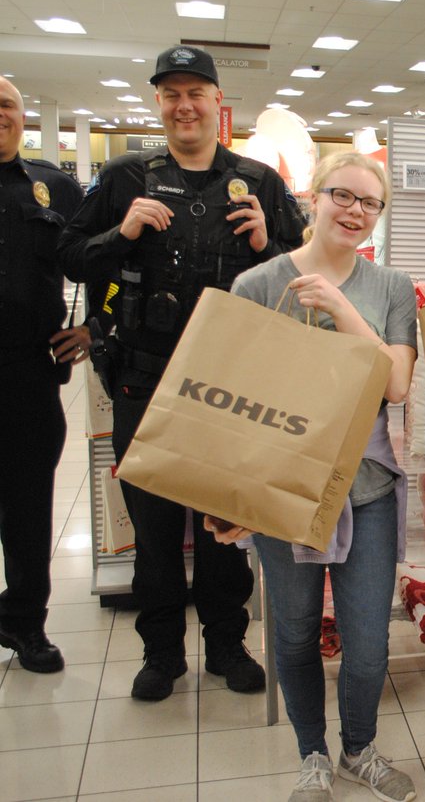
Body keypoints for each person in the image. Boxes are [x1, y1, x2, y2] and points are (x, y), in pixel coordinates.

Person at [58, 45, 306, 701]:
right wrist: (121, 234)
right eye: (171, 93)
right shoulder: (123, 178)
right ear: (159, 104)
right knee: (158, 533)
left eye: (196, 91)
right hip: (145, 382)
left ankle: (227, 646)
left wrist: (267, 246)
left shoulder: (257, 180)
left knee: (225, 527)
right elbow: (72, 256)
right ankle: (162, 654)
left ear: (218, 104)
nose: (184, 104)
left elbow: (306, 280)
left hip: (232, 388)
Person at [209, 152, 418, 802]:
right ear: (313, 197)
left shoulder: (389, 288)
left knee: (366, 644)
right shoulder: (257, 285)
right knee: (296, 632)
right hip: (283, 499)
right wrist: (230, 499)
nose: (355, 211)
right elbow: (228, 402)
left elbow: (396, 384)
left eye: (370, 203)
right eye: (343, 196)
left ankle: (360, 748)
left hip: (369, 494)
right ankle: (313, 755)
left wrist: (338, 307)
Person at [0, 75, 84, 673]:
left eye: (5, 104)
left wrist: (96, 328)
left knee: (28, 509)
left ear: (23, 117)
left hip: (27, 373)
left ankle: (24, 624)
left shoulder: (53, 187)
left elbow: (106, 262)